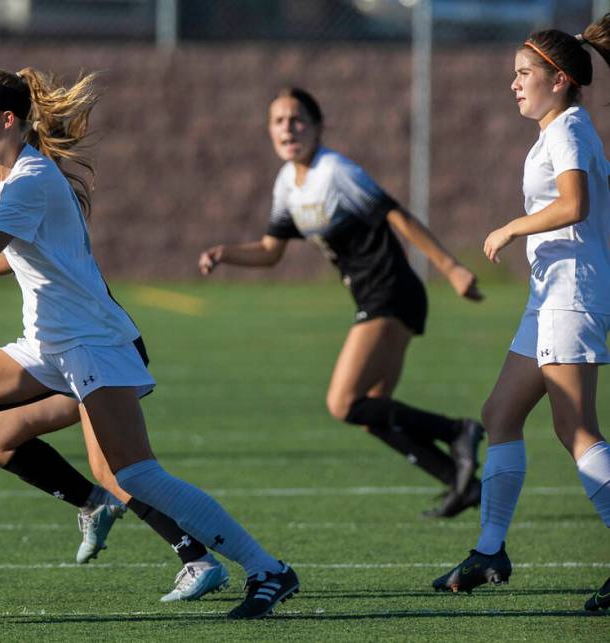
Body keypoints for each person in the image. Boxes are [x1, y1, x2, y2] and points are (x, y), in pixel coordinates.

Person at [0, 67, 297, 619]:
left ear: (7, 120)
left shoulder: (32, 181)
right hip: (44, 345)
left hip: (93, 344)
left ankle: (268, 569)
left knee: (134, 474)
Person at [0, 160, 230, 602]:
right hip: (61, 356)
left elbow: (6, 231)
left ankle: (198, 559)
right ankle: (93, 503)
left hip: (100, 348)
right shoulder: (7, 182)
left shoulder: (26, 180)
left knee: (116, 468)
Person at [198, 87, 486, 518]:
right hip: (376, 295)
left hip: (390, 291)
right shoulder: (288, 184)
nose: (287, 128)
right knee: (371, 412)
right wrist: (225, 253)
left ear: (317, 127)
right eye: (278, 121)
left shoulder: (335, 172)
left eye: (297, 119)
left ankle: (458, 431)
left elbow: (396, 214)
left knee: (342, 403)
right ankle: (461, 484)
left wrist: (453, 268)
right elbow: (270, 251)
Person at [433, 17, 610, 612]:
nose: (514, 84)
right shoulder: (556, 129)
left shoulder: (569, 127)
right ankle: (489, 552)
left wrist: (511, 227)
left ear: (559, 80)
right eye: (514, 74)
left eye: (525, 73)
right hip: (548, 295)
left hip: (571, 295)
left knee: (576, 430)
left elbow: (575, 202)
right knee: (499, 414)